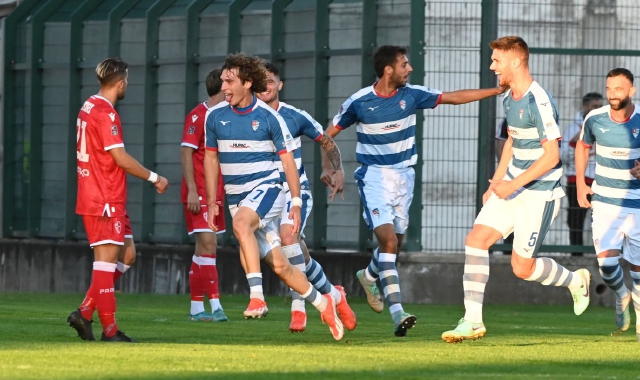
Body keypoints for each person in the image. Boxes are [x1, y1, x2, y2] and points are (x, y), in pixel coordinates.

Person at [321, 45, 506, 337]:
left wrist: (495, 92)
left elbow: (453, 98)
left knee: (395, 244)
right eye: (405, 64)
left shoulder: (412, 94)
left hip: (405, 178)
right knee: (389, 242)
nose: (410, 69)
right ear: (388, 70)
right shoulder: (360, 101)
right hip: (374, 179)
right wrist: (333, 168)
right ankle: (398, 313)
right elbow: (326, 135)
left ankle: (368, 276)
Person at [441, 36, 591, 343]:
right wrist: (497, 182)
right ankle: (472, 321)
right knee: (475, 240)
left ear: (515, 61)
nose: (491, 66)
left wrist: (513, 184)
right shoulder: (510, 96)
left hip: (539, 194)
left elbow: (551, 156)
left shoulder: (539, 101)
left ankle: (576, 280)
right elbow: (512, 139)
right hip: (511, 185)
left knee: (521, 268)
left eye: (496, 60)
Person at [203, 53, 344, 340]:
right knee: (280, 265)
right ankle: (324, 301)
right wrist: (212, 201)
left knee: (245, 226)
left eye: (229, 81)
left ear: (247, 83)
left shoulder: (274, 117)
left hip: (269, 188)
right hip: (235, 198)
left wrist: (295, 201)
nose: (224, 86)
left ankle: (258, 297)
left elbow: (291, 161)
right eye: (223, 81)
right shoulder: (214, 116)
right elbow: (210, 159)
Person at [67, 58, 169, 342]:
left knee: (127, 255)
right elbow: (120, 158)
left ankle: (86, 311)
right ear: (121, 83)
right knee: (105, 262)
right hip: (104, 197)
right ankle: (110, 331)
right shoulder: (105, 113)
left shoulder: (88, 105)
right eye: (128, 81)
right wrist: (155, 178)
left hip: (106, 195)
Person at [256, 61, 356, 333]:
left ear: (279, 85)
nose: (265, 85)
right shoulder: (246, 117)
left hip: (294, 191)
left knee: (289, 239)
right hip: (261, 196)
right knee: (291, 256)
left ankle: (298, 308)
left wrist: (338, 169)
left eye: (270, 80)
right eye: (260, 80)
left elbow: (326, 140)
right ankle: (334, 295)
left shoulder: (294, 116)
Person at [576, 68, 639, 339]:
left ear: (632, 91)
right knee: (607, 265)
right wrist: (581, 183)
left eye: (619, 89)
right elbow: (583, 147)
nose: (613, 94)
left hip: (637, 204)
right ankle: (621, 295)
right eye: (609, 88)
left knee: (638, 270)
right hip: (604, 201)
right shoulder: (594, 118)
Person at [181, 68, 228, 322]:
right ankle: (216, 306)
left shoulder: (224, 117)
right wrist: (191, 189)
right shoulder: (199, 116)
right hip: (198, 192)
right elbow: (186, 152)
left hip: (216, 194)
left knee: (203, 250)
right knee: (209, 246)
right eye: (229, 82)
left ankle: (196, 310)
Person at [561, 92, 603, 255]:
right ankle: (576, 254)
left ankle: (605, 255)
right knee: (575, 219)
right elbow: (563, 156)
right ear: (585, 107)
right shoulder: (573, 128)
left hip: (600, 180)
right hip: (577, 180)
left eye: (600, 106)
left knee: (603, 219)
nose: (597, 110)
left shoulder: (606, 126)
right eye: (594, 106)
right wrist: (575, 142)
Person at [494, 119, 514, 255]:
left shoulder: (543, 115)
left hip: (533, 178)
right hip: (510, 177)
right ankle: (508, 252)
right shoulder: (508, 120)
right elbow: (501, 146)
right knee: (509, 215)